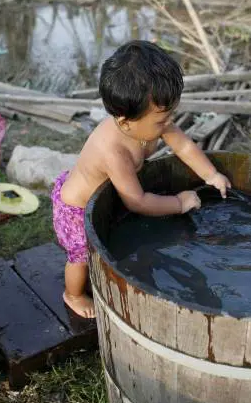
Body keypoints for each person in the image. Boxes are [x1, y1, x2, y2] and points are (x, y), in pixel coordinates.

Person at [52, 41, 231, 318]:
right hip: (75, 208)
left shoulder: (150, 120)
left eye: (170, 113)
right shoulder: (114, 151)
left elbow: (183, 146)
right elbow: (137, 201)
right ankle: (72, 294)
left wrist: (211, 174)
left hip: (104, 196)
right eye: (162, 120)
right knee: (80, 256)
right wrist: (179, 202)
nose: (169, 122)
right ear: (125, 122)